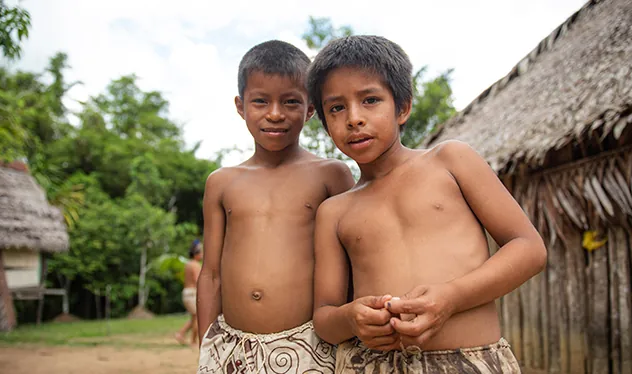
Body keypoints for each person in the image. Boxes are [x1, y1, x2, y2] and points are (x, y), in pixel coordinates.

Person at [308, 35, 547, 373]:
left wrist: (451, 297)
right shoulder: (334, 211)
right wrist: (351, 318)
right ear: (326, 124)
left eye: (370, 100)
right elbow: (324, 317)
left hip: (470, 361)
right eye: (336, 108)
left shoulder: (450, 160)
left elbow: (529, 249)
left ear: (403, 107)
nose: (354, 118)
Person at [195, 40, 355, 373]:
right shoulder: (221, 182)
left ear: (311, 109)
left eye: (291, 102)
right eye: (260, 101)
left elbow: (354, 259)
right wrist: (207, 348)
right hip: (234, 349)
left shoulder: (330, 175)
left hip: (312, 346)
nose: (275, 114)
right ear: (241, 106)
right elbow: (210, 274)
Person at [175, 239, 203, 346]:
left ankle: (181, 334)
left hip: (186, 292)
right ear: (196, 254)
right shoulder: (195, 265)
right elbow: (197, 280)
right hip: (192, 293)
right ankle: (193, 341)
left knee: (194, 317)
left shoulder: (188, 264)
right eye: (201, 252)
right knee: (197, 317)